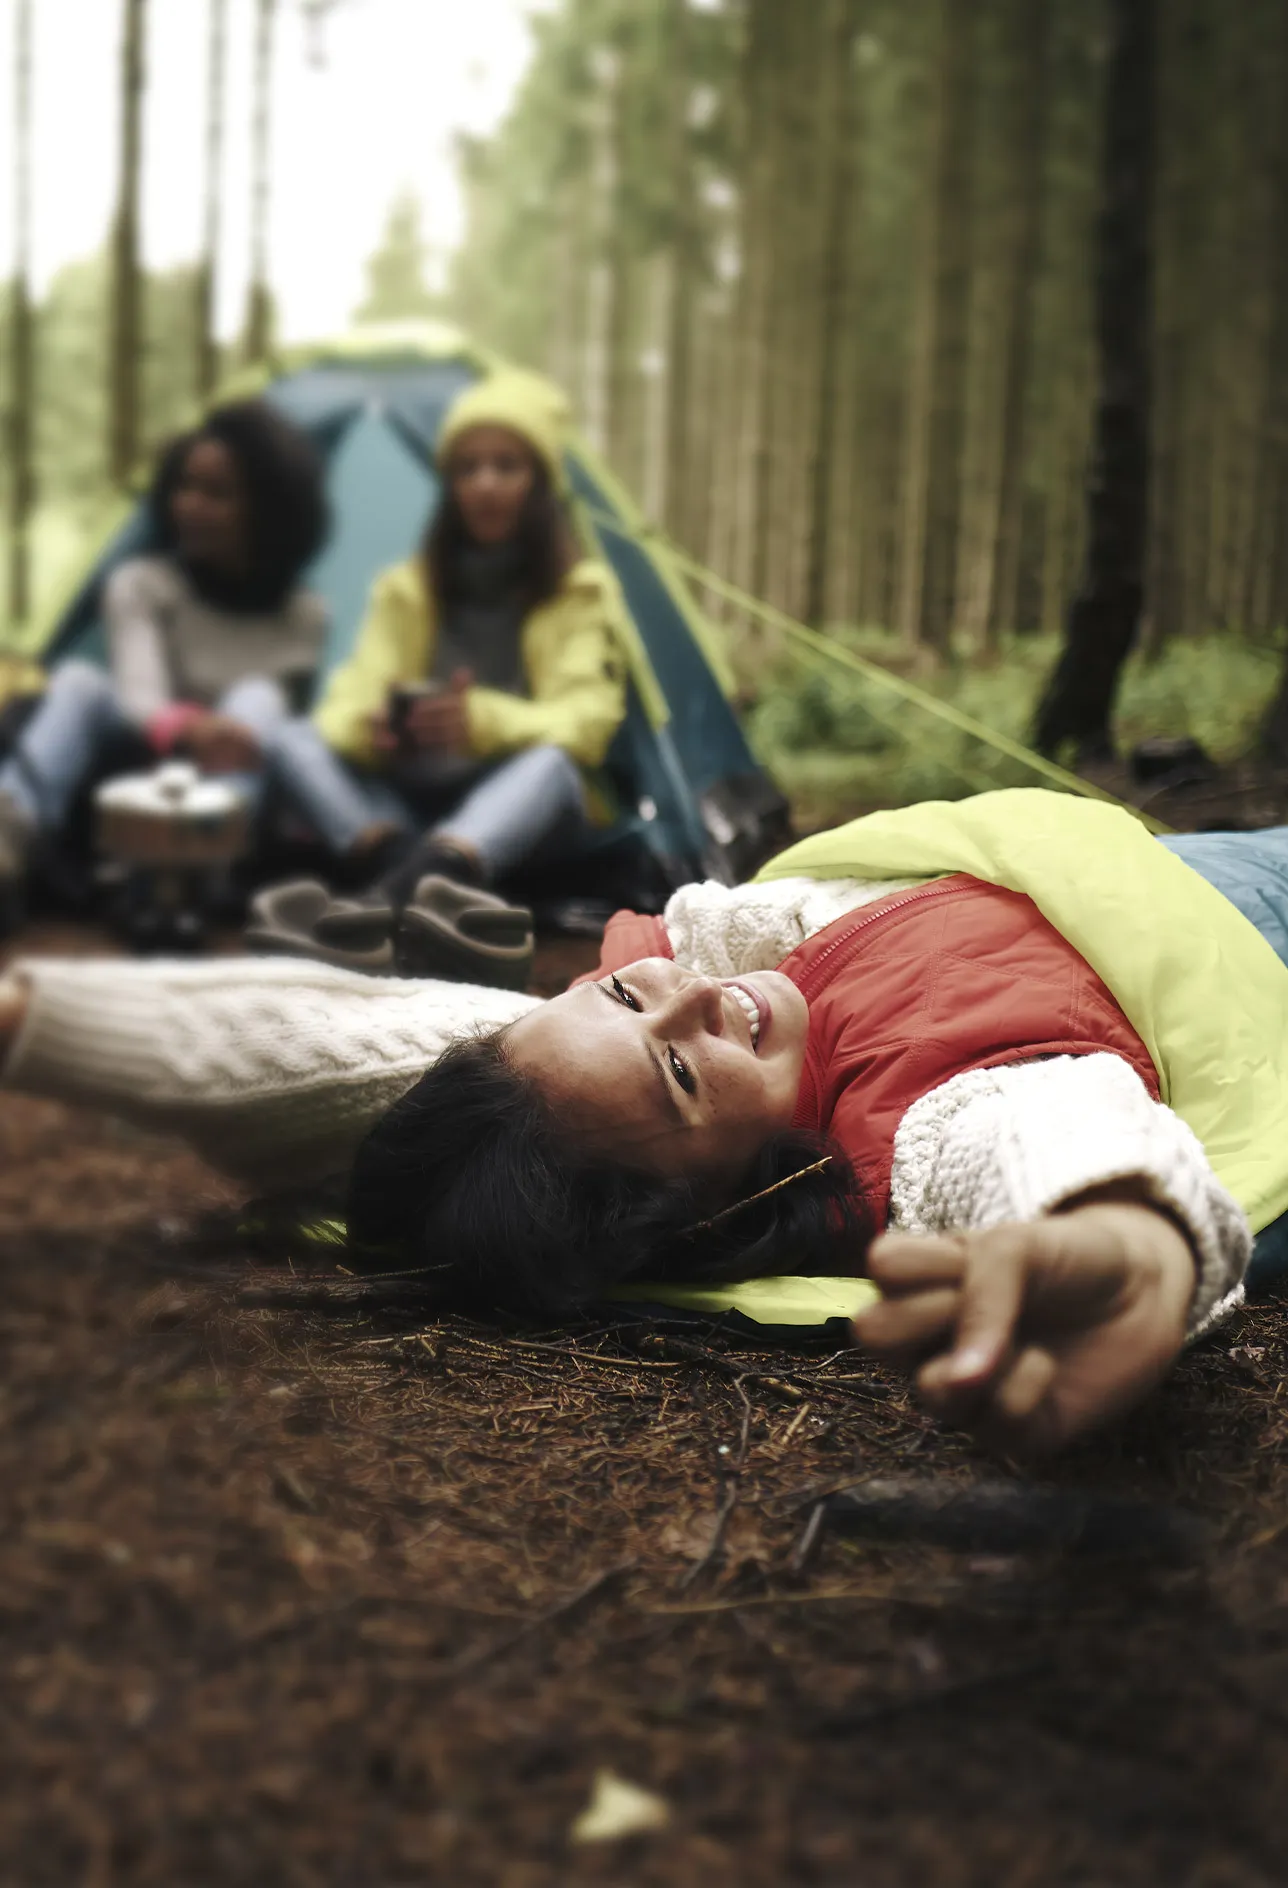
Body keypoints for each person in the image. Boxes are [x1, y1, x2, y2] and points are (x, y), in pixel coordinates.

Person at [3, 789, 1287, 1458]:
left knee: (487, 1054)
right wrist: (1122, 1238)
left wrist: (28, 1019)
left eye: (623, 990)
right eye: (677, 1077)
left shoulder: (662, 1007)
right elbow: (1039, 1143)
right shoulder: (924, 1117)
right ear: (725, 1201)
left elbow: (342, 1042)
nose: (686, 1000)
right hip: (1254, 930)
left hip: (1166, 866)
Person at [260, 368, 632, 904]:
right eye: (467, 468)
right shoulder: (405, 589)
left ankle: (406, 886)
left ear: (540, 485)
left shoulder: (578, 591)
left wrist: (479, 720)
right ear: (450, 486)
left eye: (507, 466)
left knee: (552, 766)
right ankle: (413, 877)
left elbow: (588, 724)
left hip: (514, 818)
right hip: (414, 809)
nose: (484, 484)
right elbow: (343, 706)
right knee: (294, 739)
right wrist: (374, 730)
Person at [0, 400, 329, 916]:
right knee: (80, 680)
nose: (189, 506)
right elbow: (139, 697)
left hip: (234, 794)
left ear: (268, 509)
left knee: (259, 697)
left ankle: (204, 872)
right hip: (136, 773)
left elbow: (278, 734)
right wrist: (193, 730)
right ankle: (9, 839)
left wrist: (228, 736)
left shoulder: (305, 614)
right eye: (184, 487)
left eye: (216, 494)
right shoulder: (141, 584)